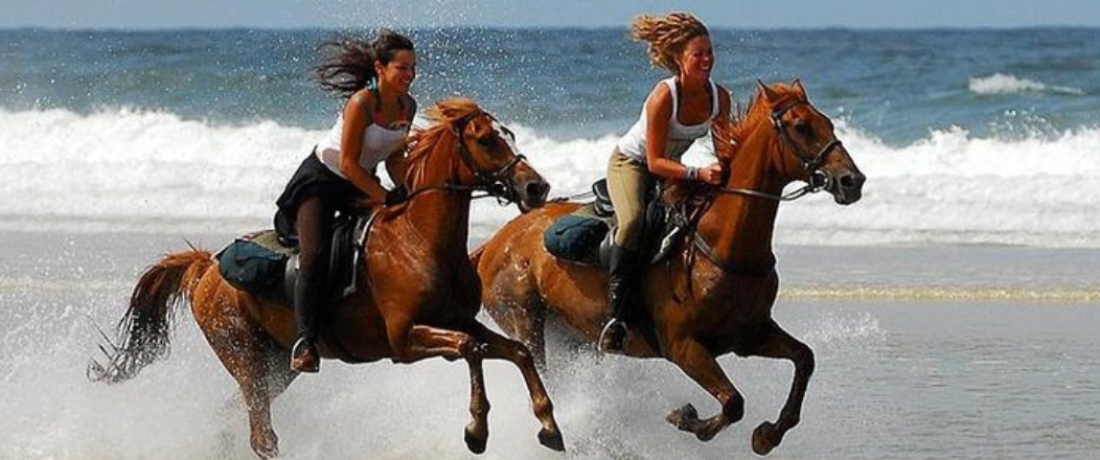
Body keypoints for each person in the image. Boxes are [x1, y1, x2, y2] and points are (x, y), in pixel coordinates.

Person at [273, 30, 418, 373]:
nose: (410, 75)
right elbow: (350, 163)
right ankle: (306, 342)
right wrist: (383, 196)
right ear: (380, 68)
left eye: (413, 68)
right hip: (322, 181)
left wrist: (408, 189)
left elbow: (394, 157)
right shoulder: (362, 103)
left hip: (360, 184)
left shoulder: (406, 105)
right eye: (403, 68)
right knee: (314, 256)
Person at [599, 13, 731, 353]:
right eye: (697, 54)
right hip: (632, 164)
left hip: (672, 168)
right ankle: (616, 317)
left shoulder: (720, 98)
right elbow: (655, 162)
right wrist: (697, 174)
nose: (706, 60)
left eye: (709, 52)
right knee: (632, 222)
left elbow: (724, 151)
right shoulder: (664, 97)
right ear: (678, 58)